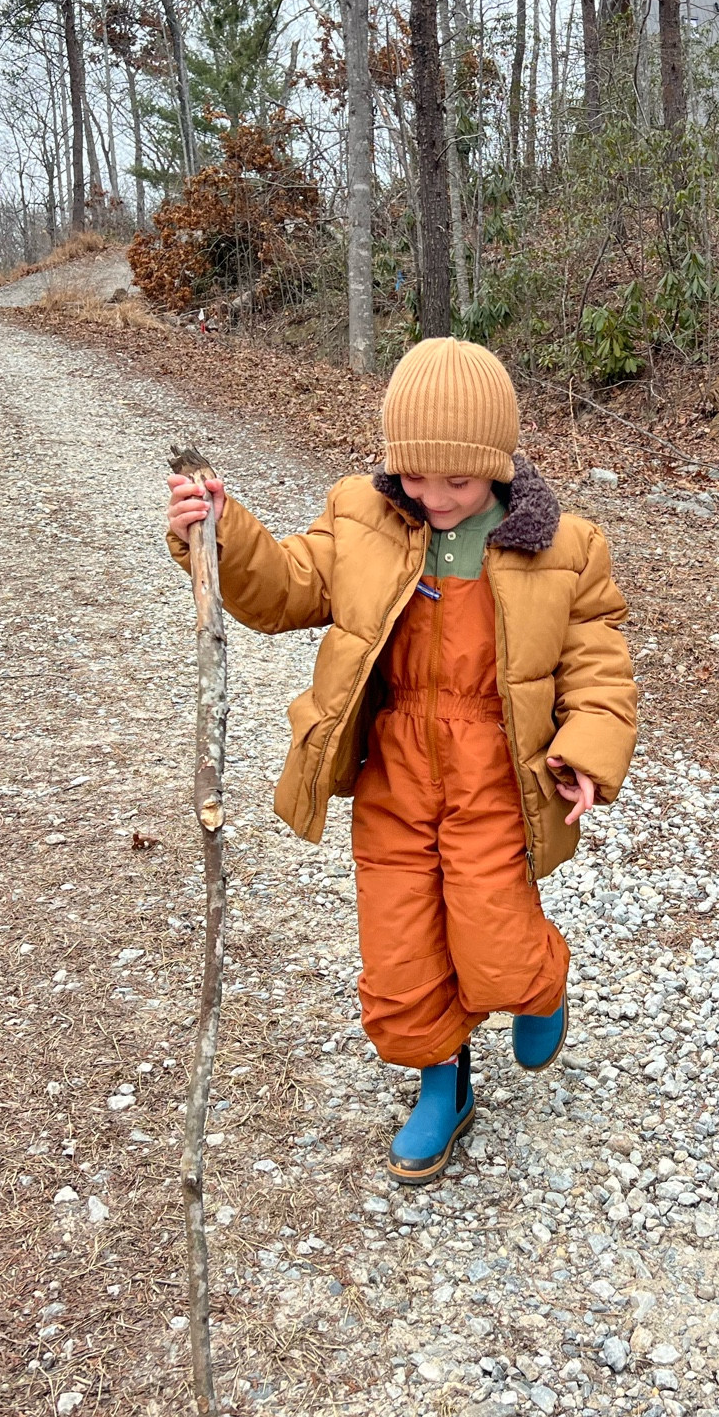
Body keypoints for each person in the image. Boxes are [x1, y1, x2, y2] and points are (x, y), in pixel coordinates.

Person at [166, 337, 638, 1184]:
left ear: (498, 467)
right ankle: (442, 1083)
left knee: (495, 940)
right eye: (416, 477)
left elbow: (598, 661)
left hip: (495, 772)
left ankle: (540, 984)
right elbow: (283, 588)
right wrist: (222, 534)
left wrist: (587, 752)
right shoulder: (362, 519)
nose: (435, 497)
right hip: (394, 769)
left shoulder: (564, 547)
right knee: (400, 950)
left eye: (459, 481)